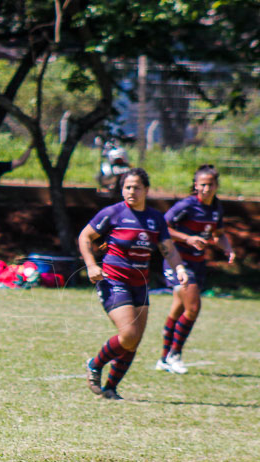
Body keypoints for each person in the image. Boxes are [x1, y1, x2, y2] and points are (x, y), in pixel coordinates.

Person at [78, 168, 187, 400]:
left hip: (141, 284)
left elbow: (168, 248)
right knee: (128, 334)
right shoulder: (113, 213)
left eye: (136, 187)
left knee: (134, 340)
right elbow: (85, 237)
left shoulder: (155, 218)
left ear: (146, 190)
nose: (131, 191)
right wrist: (91, 265)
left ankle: (110, 388)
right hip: (114, 280)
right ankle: (95, 363)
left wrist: (179, 268)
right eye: (127, 187)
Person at [155, 165, 235, 374]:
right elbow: (162, 227)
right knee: (193, 307)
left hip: (198, 263)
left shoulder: (216, 207)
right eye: (203, 185)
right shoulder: (187, 205)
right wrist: (187, 238)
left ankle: (163, 358)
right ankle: (175, 355)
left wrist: (227, 249)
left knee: (179, 308)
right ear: (196, 186)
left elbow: (219, 233)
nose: (206, 189)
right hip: (178, 262)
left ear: (217, 186)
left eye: (211, 184)